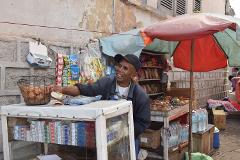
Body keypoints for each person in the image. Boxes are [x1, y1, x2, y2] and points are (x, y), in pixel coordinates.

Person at [53, 54, 150, 158]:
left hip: (128, 137)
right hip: (105, 135)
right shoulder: (107, 82)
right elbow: (86, 89)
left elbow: (142, 124)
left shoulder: (141, 96)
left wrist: (122, 131)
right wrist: (61, 90)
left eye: (125, 68)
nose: (119, 69)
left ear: (133, 74)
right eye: (119, 65)